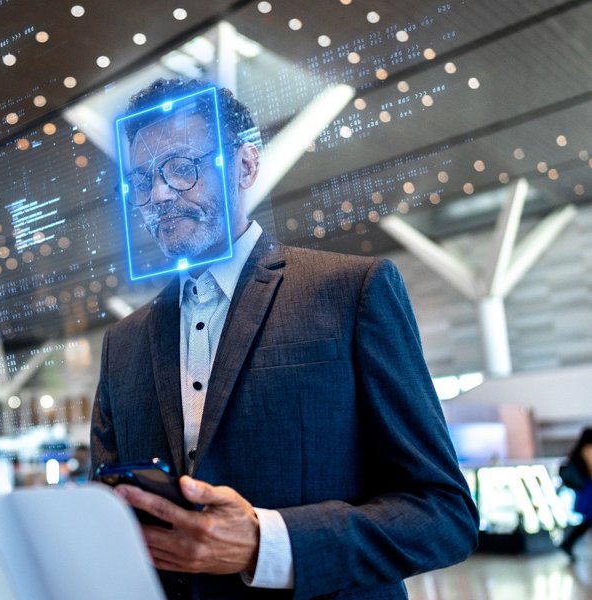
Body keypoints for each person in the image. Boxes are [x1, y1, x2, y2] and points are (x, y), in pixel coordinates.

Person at [90, 78, 478, 600]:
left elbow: (443, 513)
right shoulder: (124, 343)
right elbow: (110, 510)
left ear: (246, 166)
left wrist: (265, 545)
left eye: (181, 168)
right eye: (142, 181)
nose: (159, 194)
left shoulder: (351, 292)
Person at [560, 428, 592, 561]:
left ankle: (568, 543)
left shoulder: (578, 450)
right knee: (587, 521)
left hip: (585, 490)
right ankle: (567, 543)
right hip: (589, 490)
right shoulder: (588, 449)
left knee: (587, 521)